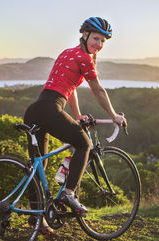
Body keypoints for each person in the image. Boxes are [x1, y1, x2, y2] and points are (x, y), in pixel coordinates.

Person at [24, 17, 126, 220]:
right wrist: (114, 115)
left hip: (35, 110)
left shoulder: (67, 53)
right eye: (96, 38)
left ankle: (37, 219)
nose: (98, 44)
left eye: (103, 41)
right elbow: (97, 90)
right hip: (50, 108)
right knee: (84, 144)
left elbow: (70, 89)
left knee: (38, 166)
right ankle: (69, 193)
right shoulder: (85, 58)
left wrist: (77, 115)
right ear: (84, 35)